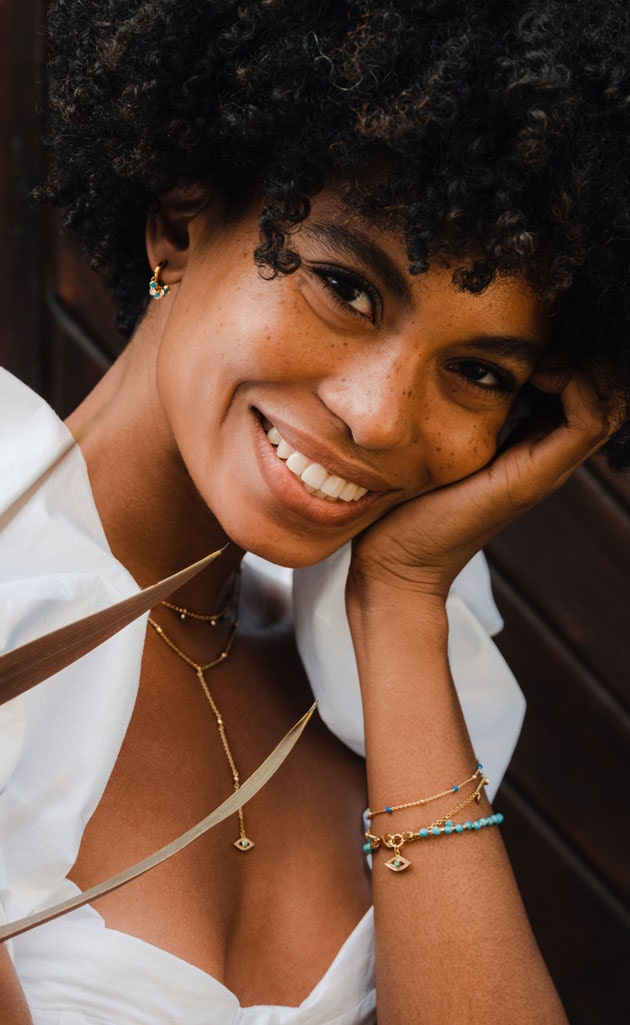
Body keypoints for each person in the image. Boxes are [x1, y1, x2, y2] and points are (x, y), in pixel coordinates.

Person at [1, 1, 629, 1022]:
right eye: (345, 286)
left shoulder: (372, 685)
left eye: (475, 370)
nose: (380, 416)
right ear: (178, 221)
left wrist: (403, 602)